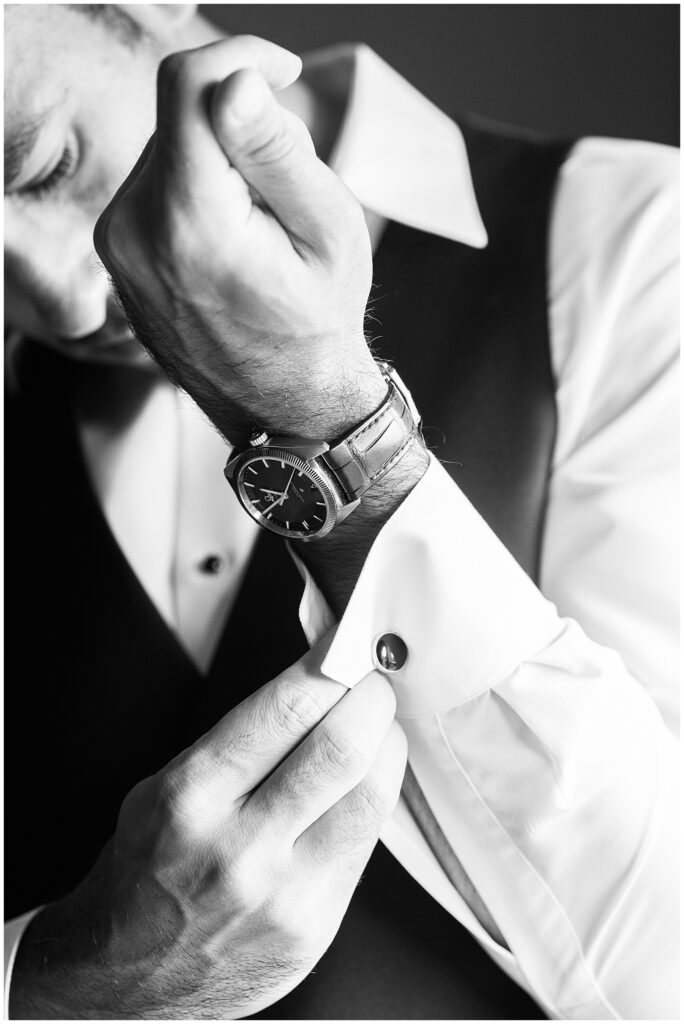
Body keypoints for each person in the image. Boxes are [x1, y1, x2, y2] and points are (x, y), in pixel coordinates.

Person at [3, 4, 678, 1019]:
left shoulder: (638, 244)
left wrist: (320, 412)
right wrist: (54, 985)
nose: (54, 298)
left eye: (44, 163)